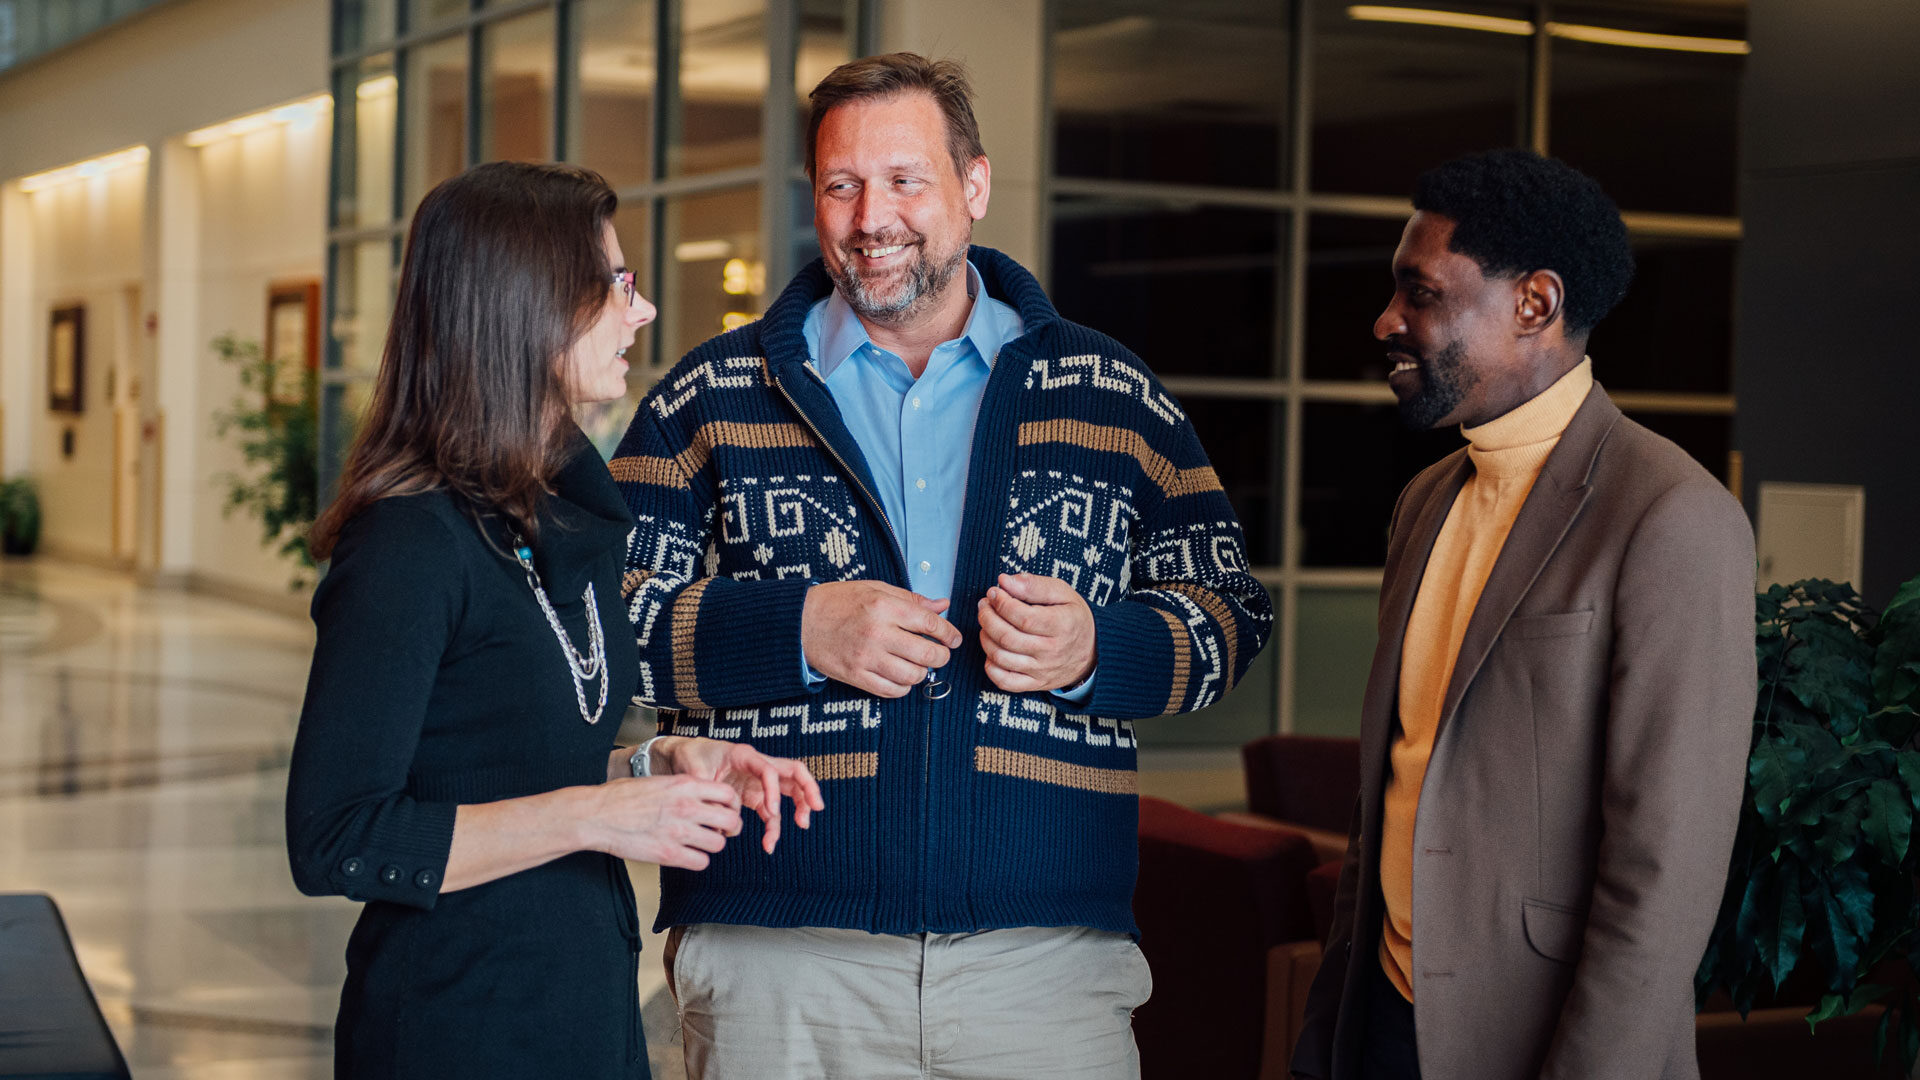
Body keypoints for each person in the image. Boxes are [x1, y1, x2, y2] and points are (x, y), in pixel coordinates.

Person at [609, 52, 1273, 1079]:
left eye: (906, 180)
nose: (872, 215)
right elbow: (601, 624)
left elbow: (1231, 612)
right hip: (780, 963)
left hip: (1043, 966)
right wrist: (795, 632)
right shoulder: (711, 395)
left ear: (973, 186)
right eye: (841, 184)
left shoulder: (1108, 393)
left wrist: (1104, 646)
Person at [285, 161, 823, 1080]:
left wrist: (656, 764)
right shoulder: (409, 543)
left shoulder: (549, 514)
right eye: (617, 284)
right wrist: (596, 815)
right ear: (524, 307)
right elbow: (339, 835)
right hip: (456, 1026)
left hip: (578, 1006)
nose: (642, 311)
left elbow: (495, 760)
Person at [1290, 149, 1756, 1080]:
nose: (1387, 321)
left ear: (1534, 305)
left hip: (1535, 1039)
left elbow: (1661, 877)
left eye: (1419, 293)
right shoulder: (1427, 499)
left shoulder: (1672, 515)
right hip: (1381, 1022)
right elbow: (1393, 784)